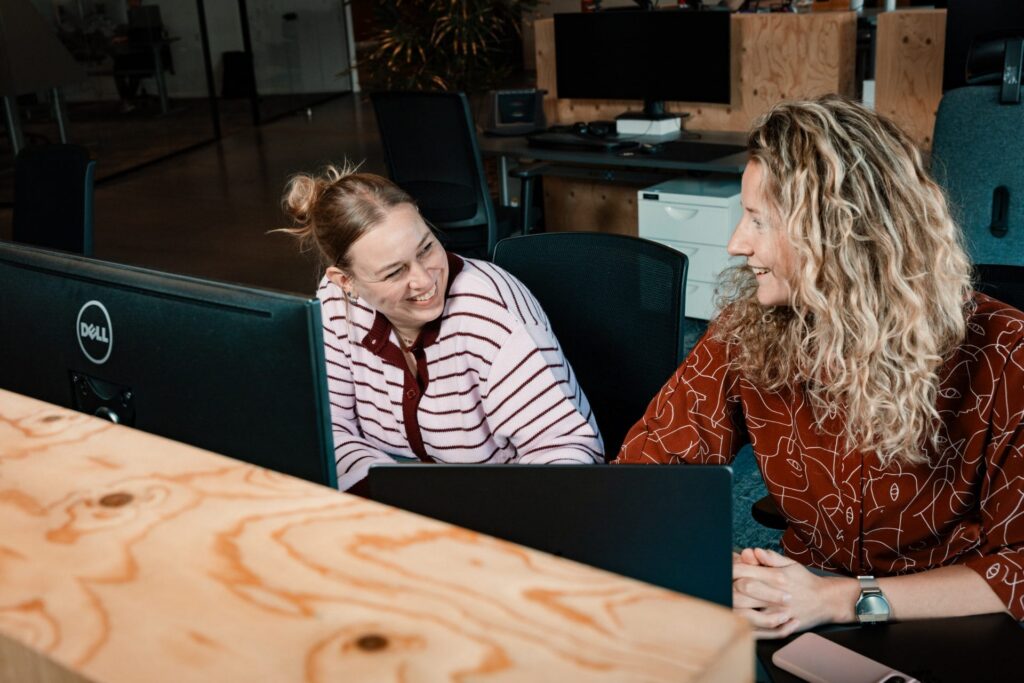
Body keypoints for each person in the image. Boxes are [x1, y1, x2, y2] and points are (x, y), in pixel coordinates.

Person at [616, 95, 1024, 637]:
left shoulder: (1003, 350)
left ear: (838, 233)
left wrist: (842, 599)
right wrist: (732, 572)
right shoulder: (746, 329)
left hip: (947, 614)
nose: (736, 244)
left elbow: (1018, 567)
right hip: (803, 600)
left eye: (759, 221)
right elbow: (645, 475)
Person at [281, 164, 603, 493]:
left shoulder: (491, 316)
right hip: (403, 507)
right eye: (394, 272)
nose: (424, 280)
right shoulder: (337, 303)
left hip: (507, 505)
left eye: (426, 248)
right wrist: (389, 492)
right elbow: (328, 427)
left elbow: (568, 452)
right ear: (345, 281)